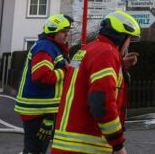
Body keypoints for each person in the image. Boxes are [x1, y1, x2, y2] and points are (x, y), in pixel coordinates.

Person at [52, 11, 141, 154]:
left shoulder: (88, 49)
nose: (129, 43)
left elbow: (85, 79)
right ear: (121, 36)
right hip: (86, 145)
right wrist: (118, 145)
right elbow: (102, 102)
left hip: (68, 143)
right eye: (130, 38)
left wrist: (121, 65)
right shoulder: (107, 53)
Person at [15, 14, 73, 154]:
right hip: (36, 109)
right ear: (53, 32)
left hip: (44, 109)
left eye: (67, 32)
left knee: (38, 148)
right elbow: (42, 77)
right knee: (34, 149)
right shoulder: (44, 48)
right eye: (63, 32)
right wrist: (65, 70)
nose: (66, 35)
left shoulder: (52, 47)